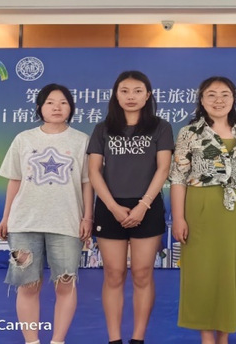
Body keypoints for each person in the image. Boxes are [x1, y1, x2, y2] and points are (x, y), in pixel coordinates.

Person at [169, 76, 236, 344]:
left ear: (234, 99)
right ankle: (206, 336)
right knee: (201, 272)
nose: (218, 100)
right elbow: (178, 177)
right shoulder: (189, 133)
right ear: (201, 100)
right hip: (201, 208)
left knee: (232, 271)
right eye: (211, 94)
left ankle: (224, 335)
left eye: (225, 94)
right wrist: (178, 218)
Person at [0, 83, 92, 344]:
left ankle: (58, 340)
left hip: (67, 223)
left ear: (71, 108)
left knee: (65, 283)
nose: (57, 107)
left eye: (63, 102)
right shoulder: (23, 139)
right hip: (24, 223)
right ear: (40, 107)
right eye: (50, 102)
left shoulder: (82, 140)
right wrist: (6, 217)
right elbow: (14, 180)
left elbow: (87, 183)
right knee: (27, 285)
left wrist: (87, 217)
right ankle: (32, 341)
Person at [87, 71, 174, 344]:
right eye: (124, 91)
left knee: (142, 273)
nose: (131, 96)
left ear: (148, 95)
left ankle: (138, 338)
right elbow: (94, 171)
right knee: (113, 274)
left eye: (138, 91)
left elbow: (163, 169)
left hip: (147, 206)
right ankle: (114, 338)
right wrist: (112, 207)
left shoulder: (161, 127)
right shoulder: (102, 129)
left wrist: (143, 205)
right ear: (116, 95)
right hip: (110, 206)